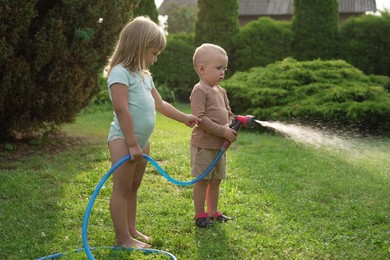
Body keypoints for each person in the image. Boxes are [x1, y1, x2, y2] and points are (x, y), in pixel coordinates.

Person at [104, 16, 200, 248]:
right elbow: (121, 109)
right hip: (124, 140)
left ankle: (131, 229)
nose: (155, 59)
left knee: (134, 187)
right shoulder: (120, 73)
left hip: (140, 141)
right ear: (138, 47)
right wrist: (132, 143)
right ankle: (122, 238)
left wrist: (183, 118)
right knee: (122, 188)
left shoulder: (144, 76)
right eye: (154, 53)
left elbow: (161, 104)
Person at [190, 43, 237, 228]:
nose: (222, 73)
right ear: (201, 69)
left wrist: (232, 126)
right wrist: (222, 130)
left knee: (216, 180)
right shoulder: (199, 90)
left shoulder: (221, 91)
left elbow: (229, 113)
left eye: (224, 68)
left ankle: (213, 211)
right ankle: (200, 215)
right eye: (218, 68)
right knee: (203, 180)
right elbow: (199, 119)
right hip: (204, 146)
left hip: (219, 146)